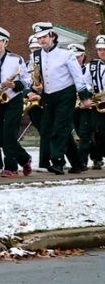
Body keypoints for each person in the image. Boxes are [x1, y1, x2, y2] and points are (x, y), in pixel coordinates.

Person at [31, 21, 84, 175]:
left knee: (59, 129)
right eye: (39, 38)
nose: (42, 40)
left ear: (52, 36)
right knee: (48, 129)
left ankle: (58, 163)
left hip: (66, 94)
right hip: (48, 96)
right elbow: (33, 78)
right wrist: (35, 87)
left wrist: (84, 95)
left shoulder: (66, 54)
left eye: (45, 36)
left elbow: (77, 76)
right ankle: (77, 163)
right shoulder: (35, 56)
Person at [0, 27, 32, 176]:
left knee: (9, 134)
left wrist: (14, 85)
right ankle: (24, 158)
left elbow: (27, 80)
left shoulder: (16, 59)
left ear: (5, 42)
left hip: (13, 99)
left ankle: (11, 167)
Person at [83, 36, 105, 170]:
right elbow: (85, 83)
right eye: (99, 49)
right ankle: (97, 158)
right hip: (98, 104)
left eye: (104, 49)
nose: (102, 52)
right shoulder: (91, 66)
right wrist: (91, 94)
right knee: (98, 132)